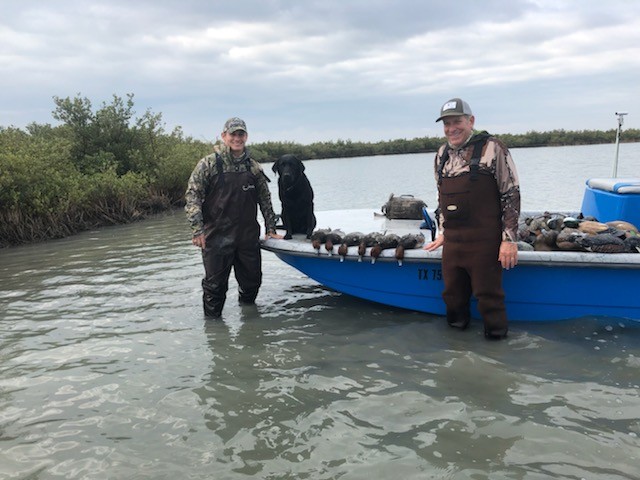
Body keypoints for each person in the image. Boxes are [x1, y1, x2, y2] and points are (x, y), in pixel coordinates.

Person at [424, 98, 520, 339]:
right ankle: (456, 350)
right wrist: (443, 231)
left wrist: (509, 239)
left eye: (457, 121)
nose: (451, 128)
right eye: (446, 123)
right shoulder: (441, 154)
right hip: (454, 243)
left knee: (489, 298)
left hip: (485, 242)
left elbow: (511, 193)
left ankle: (497, 347)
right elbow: (442, 197)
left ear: (471, 121)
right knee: (452, 297)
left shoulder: (493, 148)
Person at [185, 117, 282, 318]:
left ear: (246, 137)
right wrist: (197, 230)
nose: (237, 138)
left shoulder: (253, 167)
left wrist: (271, 229)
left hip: (247, 237)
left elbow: (265, 199)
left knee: (252, 282)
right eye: (233, 134)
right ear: (224, 136)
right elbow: (192, 195)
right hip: (216, 237)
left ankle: (249, 320)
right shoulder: (208, 164)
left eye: (241, 134)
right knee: (215, 287)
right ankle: (213, 331)